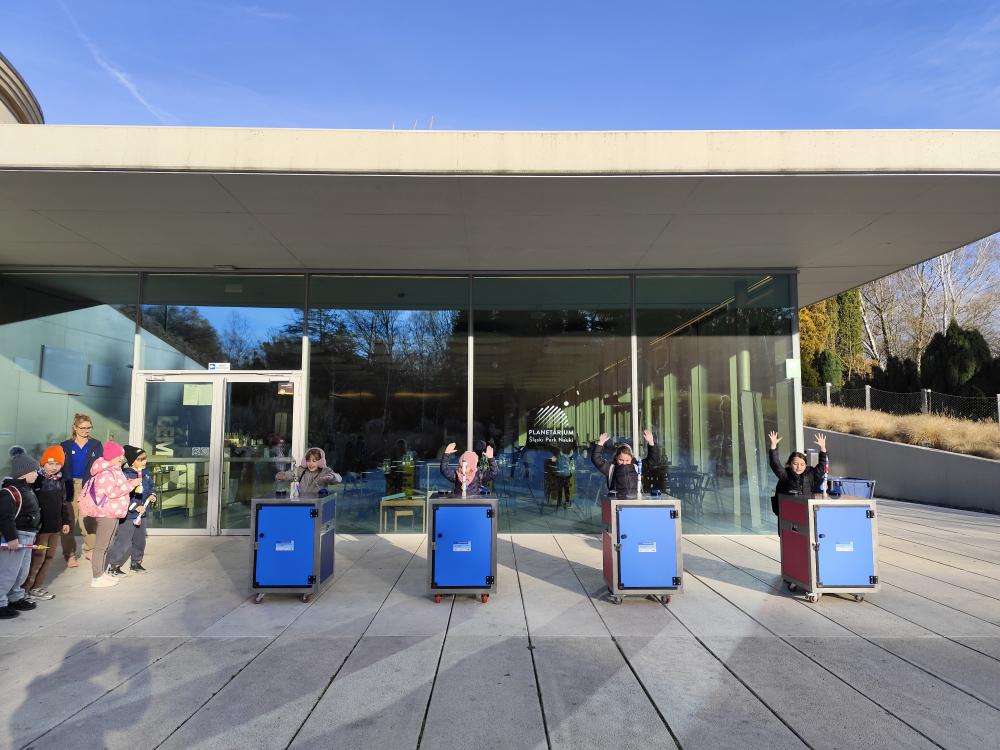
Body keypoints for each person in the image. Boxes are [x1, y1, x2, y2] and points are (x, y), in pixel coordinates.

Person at [78, 441, 141, 589]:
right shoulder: (106, 473)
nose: (122, 458)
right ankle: (96, 577)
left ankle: (101, 573)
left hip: (113, 512)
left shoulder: (114, 470)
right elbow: (113, 492)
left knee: (106, 545)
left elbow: (118, 487)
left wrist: (129, 482)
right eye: (119, 455)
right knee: (101, 546)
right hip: (106, 513)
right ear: (112, 457)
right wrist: (132, 484)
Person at [23, 446, 72, 599]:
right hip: (41, 529)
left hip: (55, 528)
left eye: (58, 464)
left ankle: (37, 587)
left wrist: (65, 521)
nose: (54, 467)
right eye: (50, 463)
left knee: (49, 558)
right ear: (43, 463)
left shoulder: (60, 480)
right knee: (37, 559)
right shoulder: (36, 479)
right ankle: (25, 589)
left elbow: (63, 503)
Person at [0, 447, 42, 619]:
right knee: (8, 571)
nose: (37, 474)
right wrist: (11, 538)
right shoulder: (10, 492)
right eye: (34, 471)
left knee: (22, 571)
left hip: (28, 535)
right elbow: (5, 518)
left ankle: (15, 596)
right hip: (16, 537)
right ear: (23, 473)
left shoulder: (27, 488)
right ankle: (0, 602)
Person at [60, 413, 103, 567]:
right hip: (69, 486)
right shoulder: (65, 445)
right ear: (75, 427)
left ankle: (90, 549)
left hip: (88, 487)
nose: (86, 430)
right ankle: (70, 554)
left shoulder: (96, 445)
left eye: (89, 427)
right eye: (83, 427)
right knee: (69, 522)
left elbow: (100, 466)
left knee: (88, 521)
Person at [106, 446, 156, 577]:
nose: (144, 461)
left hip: (142, 514)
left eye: (145, 458)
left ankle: (136, 562)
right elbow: (123, 495)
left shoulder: (146, 473)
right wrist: (134, 507)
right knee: (123, 540)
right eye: (140, 459)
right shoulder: (125, 475)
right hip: (129, 515)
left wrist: (152, 495)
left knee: (140, 540)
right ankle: (114, 566)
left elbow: (151, 487)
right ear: (132, 461)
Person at [767, 431, 829, 530]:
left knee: (805, 535)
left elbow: (822, 466)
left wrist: (823, 448)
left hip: (806, 513)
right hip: (788, 514)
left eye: (802, 464)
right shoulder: (785, 475)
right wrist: (773, 446)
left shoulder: (811, 474)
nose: (799, 467)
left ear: (806, 465)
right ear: (790, 464)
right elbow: (775, 464)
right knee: (789, 536)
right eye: (795, 464)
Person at [591, 430, 660, 499]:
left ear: (632, 458)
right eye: (621, 460)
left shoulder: (637, 467)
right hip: (616, 501)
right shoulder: (611, 468)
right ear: (616, 458)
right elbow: (596, 459)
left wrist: (651, 443)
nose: (624, 463)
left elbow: (652, 460)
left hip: (634, 500)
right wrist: (600, 444)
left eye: (627, 460)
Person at [275, 447, 341, 498]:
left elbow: (338, 478)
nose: (311, 464)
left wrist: (332, 477)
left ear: (321, 462)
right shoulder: (301, 470)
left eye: (314, 461)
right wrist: (284, 475)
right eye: (308, 461)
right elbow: (292, 474)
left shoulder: (325, 471)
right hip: (303, 501)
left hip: (318, 502)